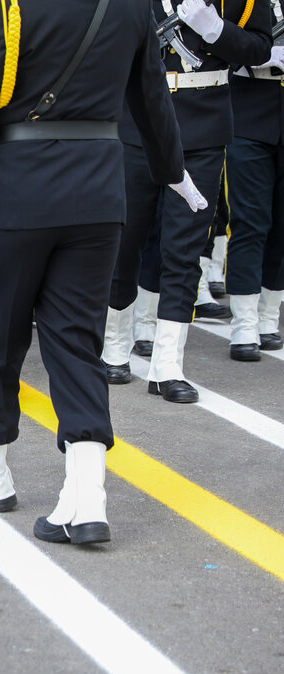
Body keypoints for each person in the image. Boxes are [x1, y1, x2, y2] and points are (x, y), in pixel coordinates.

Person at [0, 0, 195, 545]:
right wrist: (173, 173)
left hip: (16, 193)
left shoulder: (6, 8)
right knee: (77, 342)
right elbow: (151, 99)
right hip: (97, 191)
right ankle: (87, 497)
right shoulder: (131, 6)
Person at [101, 0, 269, 400]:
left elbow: (259, 48)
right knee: (125, 242)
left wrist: (216, 31)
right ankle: (114, 349)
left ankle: (167, 365)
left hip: (203, 126)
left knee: (184, 249)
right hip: (137, 122)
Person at [225, 5, 284, 361]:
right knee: (249, 220)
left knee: (282, 225)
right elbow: (217, 41)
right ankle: (244, 323)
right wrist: (261, 57)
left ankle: (268, 317)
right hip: (248, 109)